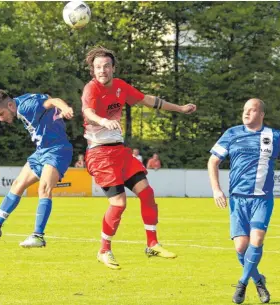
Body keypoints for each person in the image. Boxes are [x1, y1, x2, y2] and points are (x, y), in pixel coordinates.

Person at [82, 46, 196, 269]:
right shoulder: (91, 89)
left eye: (106, 66)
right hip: (100, 154)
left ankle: (152, 244)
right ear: (93, 71)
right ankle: (104, 250)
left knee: (147, 192)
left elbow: (149, 100)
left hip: (120, 152)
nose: (102, 70)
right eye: (98, 67)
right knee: (119, 203)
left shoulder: (120, 86)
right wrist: (103, 121)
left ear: (113, 68)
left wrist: (180, 109)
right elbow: (88, 112)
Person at [207, 98, 280, 304]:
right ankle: (258, 280)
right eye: (245, 110)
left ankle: (241, 284)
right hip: (238, 200)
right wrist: (216, 189)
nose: (246, 113)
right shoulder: (232, 134)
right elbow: (213, 161)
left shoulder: (274, 136)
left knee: (256, 241)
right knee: (241, 247)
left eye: (252, 110)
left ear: (262, 114)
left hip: (262, 200)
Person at [0, 90, 74, 248]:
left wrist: (65, 108)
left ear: (10, 105)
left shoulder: (27, 107)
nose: (1, 119)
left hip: (57, 150)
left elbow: (52, 101)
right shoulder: (18, 103)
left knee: (44, 189)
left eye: (1, 114)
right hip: (41, 151)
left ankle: (38, 236)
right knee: (18, 184)